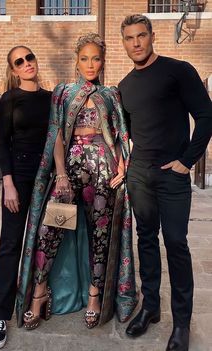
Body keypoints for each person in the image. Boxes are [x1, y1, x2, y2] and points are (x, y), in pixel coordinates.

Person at [16, 33, 138, 331]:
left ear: (103, 60)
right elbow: (56, 133)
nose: (90, 64)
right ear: (77, 60)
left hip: (104, 173)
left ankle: (95, 296)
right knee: (52, 229)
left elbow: (123, 135)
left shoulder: (111, 94)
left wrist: (123, 163)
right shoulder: (63, 92)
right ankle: (40, 292)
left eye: (96, 58)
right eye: (84, 58)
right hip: (69, 170)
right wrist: (59, 172)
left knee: (100, 235)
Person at [118, 14, 212, 351]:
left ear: (152, 35)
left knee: (175, 243)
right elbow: (128, 134)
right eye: (130, 38)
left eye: (141, 36)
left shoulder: (178, 70)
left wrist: (187, 161)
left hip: (172, 176)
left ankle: (182, 323)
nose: (136, 43)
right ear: (124, 42)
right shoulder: (125, 86)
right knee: (146, 241)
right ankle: (151, 308)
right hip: (140, 175)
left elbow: (206, 115)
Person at [0, 46, 51, 349]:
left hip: (47, 178)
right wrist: (8, 184)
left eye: (30, 58)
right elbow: (3, 142)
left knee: (43, 242)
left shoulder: (51, 98)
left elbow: (59, 138)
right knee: (11, 243)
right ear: (13, 70)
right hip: (19, 178)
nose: (27, 64)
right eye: (19, 61)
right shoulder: (10, 99)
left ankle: (36, 299)